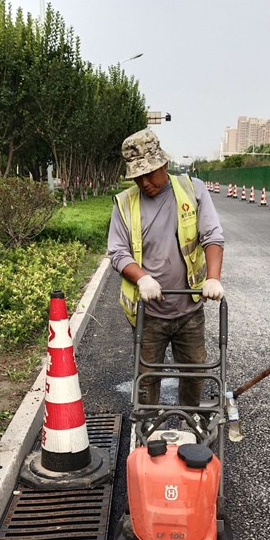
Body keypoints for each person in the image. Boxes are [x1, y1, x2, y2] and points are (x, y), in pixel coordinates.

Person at [108, 128, 224, 407]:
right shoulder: (125, 204)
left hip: (190, 310)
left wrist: (213, 278)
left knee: (195, 372)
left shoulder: (192, 190)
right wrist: (142, 278)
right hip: (149, 312)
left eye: (149, 173)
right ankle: (147, 429)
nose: (144, 182)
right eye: (138, 176)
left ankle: (192, 419)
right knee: (146, 378)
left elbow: (212, 236)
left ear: (164, 164)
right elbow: (117, 251)